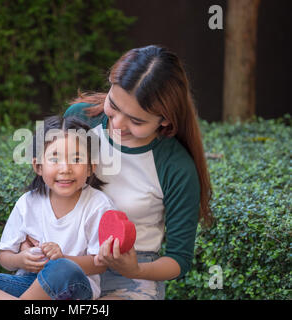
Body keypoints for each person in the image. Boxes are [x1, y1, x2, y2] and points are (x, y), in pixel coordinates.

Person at [23, 45, 213, 300]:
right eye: (113, 105)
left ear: (165, 120)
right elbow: (45, 190)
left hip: (131, 276)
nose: (117, 124)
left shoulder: (176, 167)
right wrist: (26, 244)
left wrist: (135, 268)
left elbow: (179, 260)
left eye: (136, 121)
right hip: (65, 260)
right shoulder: (81, 121)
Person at [0, 115, 116, 300]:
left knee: (60, 268)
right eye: (54, 159)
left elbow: (100, 264)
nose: (65, 168)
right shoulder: (28, 202)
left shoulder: (98, 205)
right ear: (38, 166)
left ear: (90, 167)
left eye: (76, 158)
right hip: (28, 284)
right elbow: (5, 256)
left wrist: (63, 258)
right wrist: (20, 260)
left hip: (71, 287)